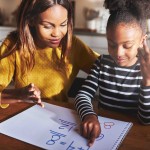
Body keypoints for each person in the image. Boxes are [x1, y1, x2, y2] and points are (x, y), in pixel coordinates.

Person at [75, 0, 150, 147]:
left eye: (127, 46)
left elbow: (145, 120)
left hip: (132, 138)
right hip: (104, 134)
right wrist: (89, 115)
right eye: (111, 44)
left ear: (142, 41)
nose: (118, 53)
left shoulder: (145, 70)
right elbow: (82, 95)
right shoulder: (102, 63)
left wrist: (147, 82)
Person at [0, 0, 99, 108]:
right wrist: (18, 95)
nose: (57, 34)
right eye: (47, 26)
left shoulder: (72, 45)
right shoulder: (13, 45)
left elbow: (107, 69)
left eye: (63, 24)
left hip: (59, 116)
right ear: (31, 20)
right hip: (24, 115)